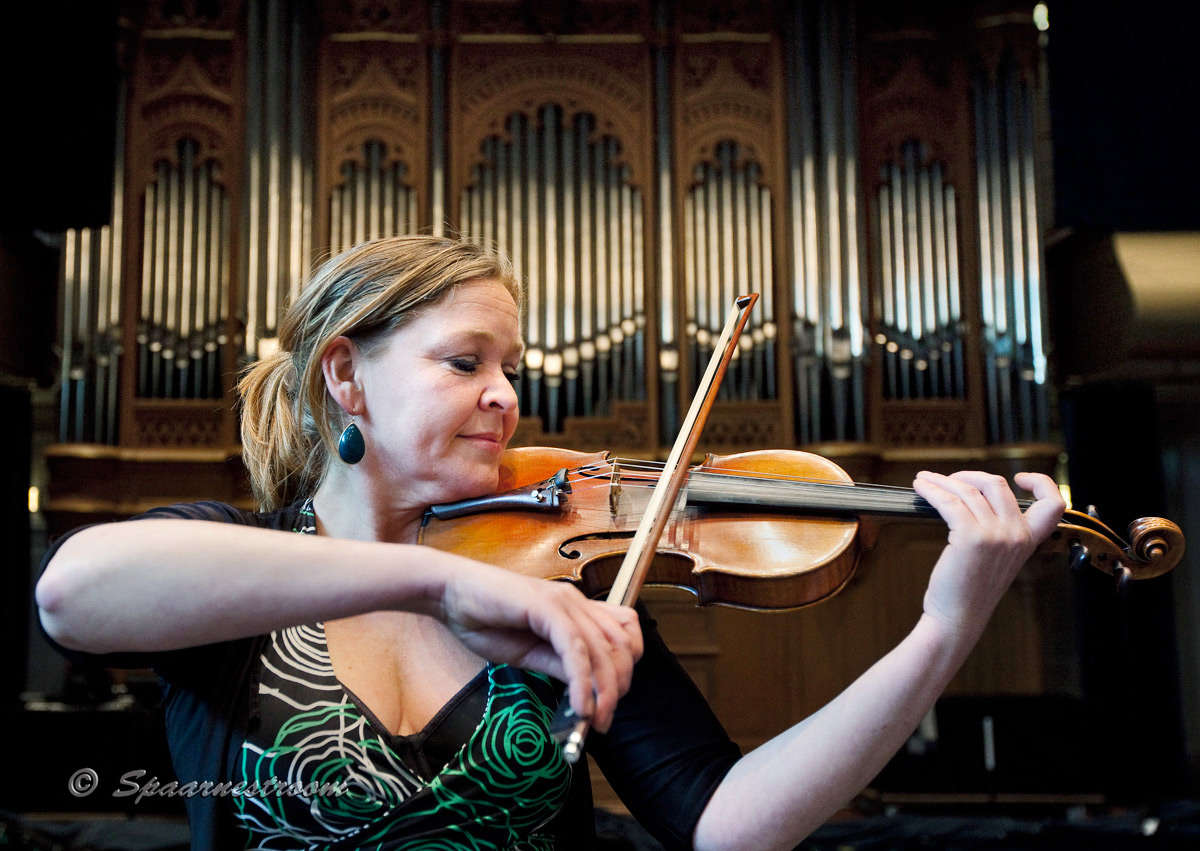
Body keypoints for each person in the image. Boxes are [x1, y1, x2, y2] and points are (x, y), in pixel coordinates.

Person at [37, 234, 1066, 851]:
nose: (508, 394)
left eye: (512, 364)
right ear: (346, 378)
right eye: (463, 360)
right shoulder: (234, 569)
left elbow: (727, 823)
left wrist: (944, 625)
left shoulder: (563, 594)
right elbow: (72, 594)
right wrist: (438, 583)